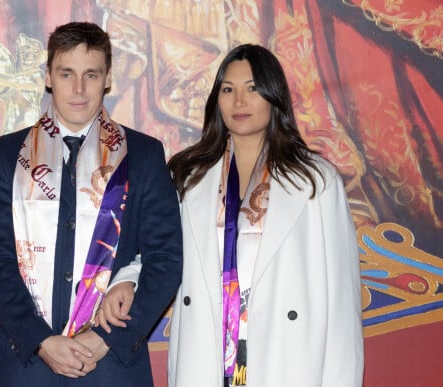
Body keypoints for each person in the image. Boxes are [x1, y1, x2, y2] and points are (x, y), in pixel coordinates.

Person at [99, 43, 364, 386]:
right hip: (206, 352)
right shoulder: (187, 176)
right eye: (228, 90)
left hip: (288, 355)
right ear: (216, 100)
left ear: (274, 96)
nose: (239, 102)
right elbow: (161, 250)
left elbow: (342, 300)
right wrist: (127, 279)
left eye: (252, 89)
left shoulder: (316, 180)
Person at [0, 21, 182, 386]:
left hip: (113, 365)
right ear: (49, 77)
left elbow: (164, 259)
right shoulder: (8, 154)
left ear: (108, 79)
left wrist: (107, 340)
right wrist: (40, 341)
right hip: (28, 366)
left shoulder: (145, 154)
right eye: (67, 73)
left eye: (91, 74)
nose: (79, 89)